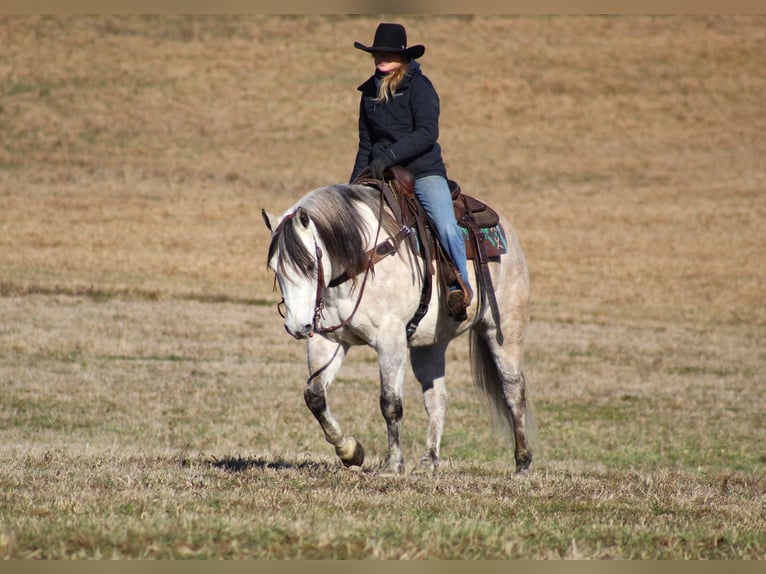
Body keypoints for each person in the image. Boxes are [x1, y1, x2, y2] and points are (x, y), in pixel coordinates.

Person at [350, 22, 472, 320]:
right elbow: (365, 142)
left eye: (388, 53)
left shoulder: (420, 87)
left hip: (423, 171)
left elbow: (427, 133)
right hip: (381, 173)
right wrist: (352, 186)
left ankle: (460, 286)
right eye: (377, 52)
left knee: (444, 224)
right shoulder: (369, 93)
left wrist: (390, 156)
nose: (381, 57)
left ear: (403, 57)